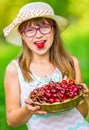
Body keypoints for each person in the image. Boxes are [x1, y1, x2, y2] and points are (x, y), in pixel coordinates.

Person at [3, 2, 89, 130]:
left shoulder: (70, 62)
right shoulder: (15, 69)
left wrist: (82, 100)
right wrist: (28, 109)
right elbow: (12, 121)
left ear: (54, 29)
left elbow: (82, 113)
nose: (38, 35)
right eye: (30, 30)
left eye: (44, 27)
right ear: (22, 35)